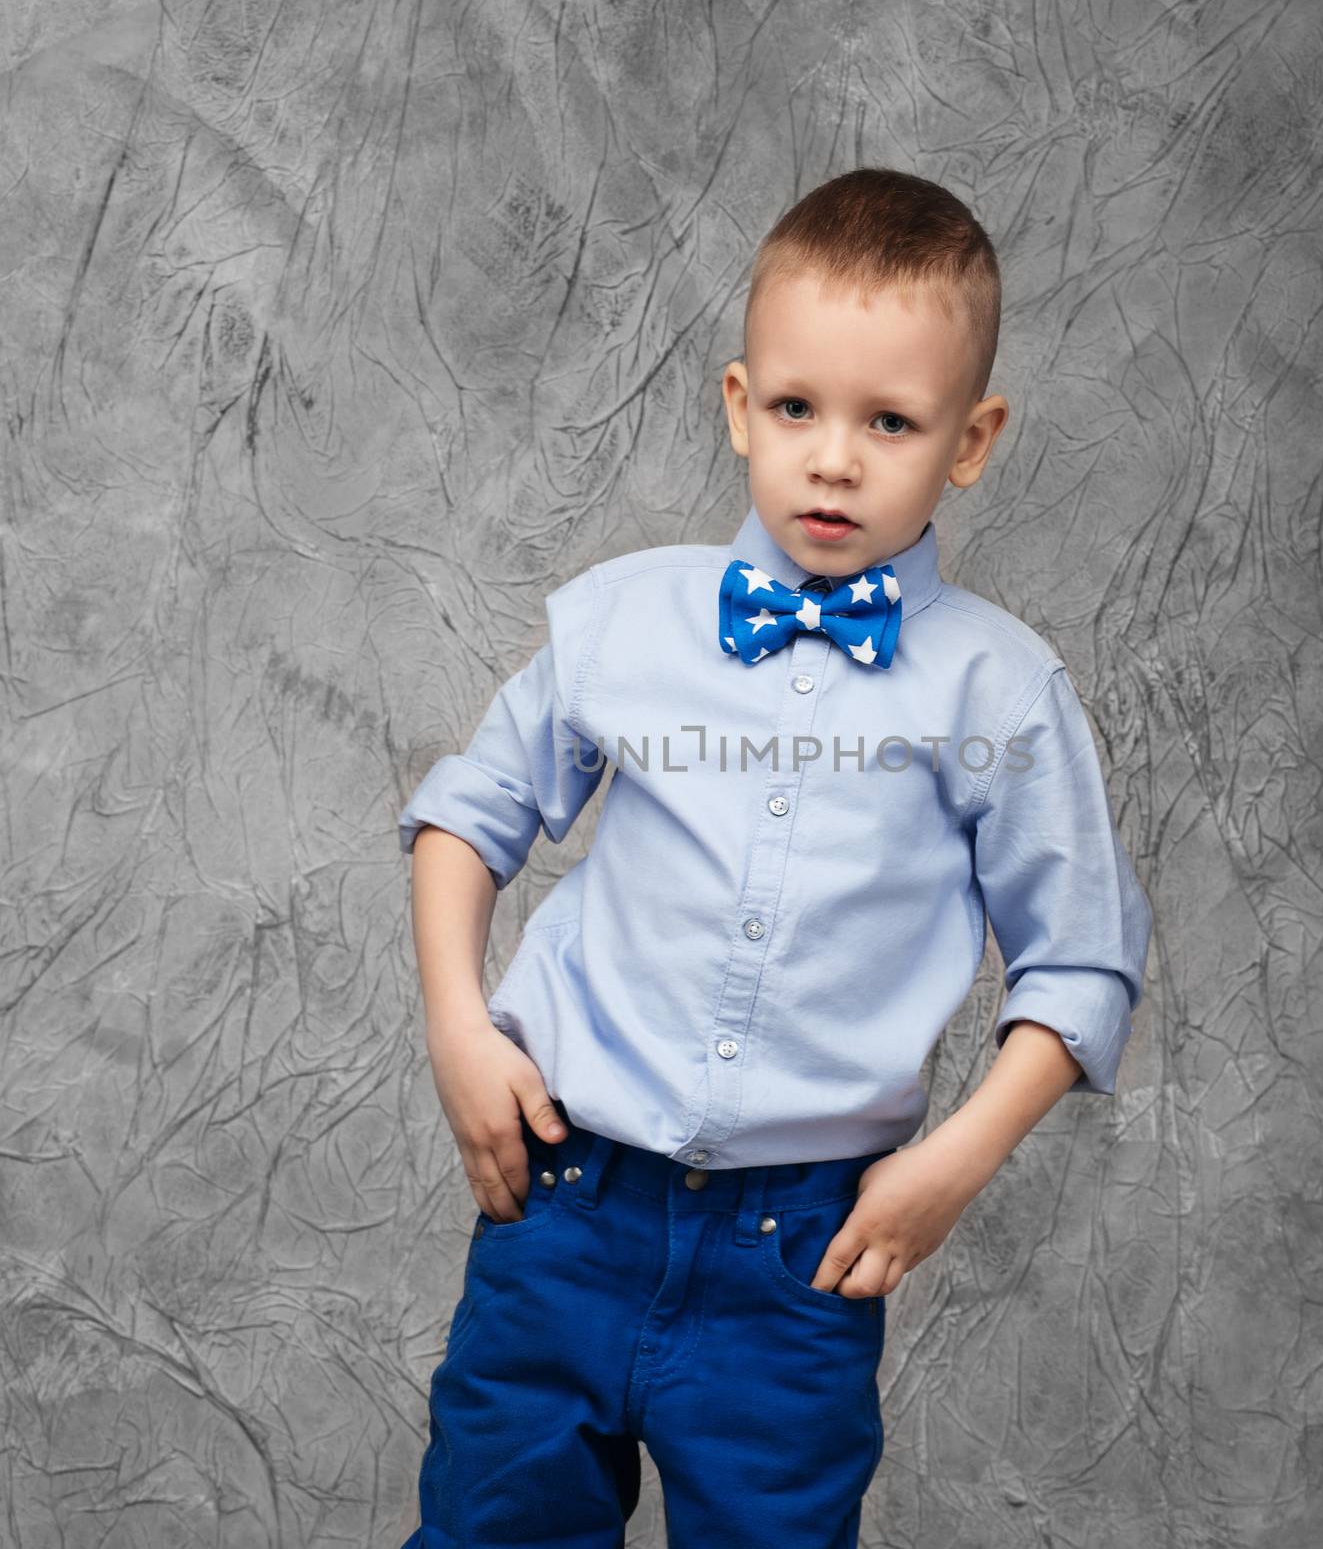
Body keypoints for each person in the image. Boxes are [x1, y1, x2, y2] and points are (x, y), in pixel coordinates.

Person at [394, 166, 1154, 1549]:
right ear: (741, 405)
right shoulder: (626, 620)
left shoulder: (1002, 692)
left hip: (796, 1257)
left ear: (971, 439)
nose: (836, 458)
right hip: (564, 1205)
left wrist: (952, 1164)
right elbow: (470, 811)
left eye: (893, 421)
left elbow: (1082, 964)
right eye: (798, 408)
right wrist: (458, 1021)